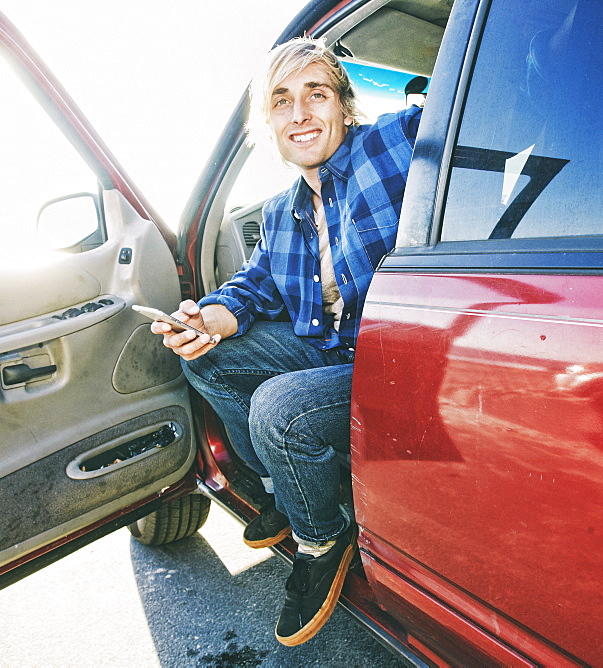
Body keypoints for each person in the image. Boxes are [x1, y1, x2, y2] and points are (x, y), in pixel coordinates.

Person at [152, 37, 421, 646]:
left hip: (391, 360)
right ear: (267, 124)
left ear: (344, 108)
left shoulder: (391, 144)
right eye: (281, 101)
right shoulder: (280, 213)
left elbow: (465, 110)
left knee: (280, 408)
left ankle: (322, 538)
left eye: (315, 94)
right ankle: (282, 488)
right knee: (206, 360)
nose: (299, 113)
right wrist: (208, 319)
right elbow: (254, 285)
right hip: (330, 351)